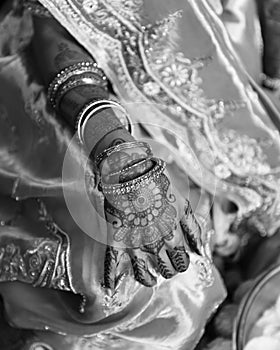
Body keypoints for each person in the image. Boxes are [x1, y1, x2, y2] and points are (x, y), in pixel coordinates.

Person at [0, 0, 279, 349]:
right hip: (64, 70)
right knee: (153, 281)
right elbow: (54, 14)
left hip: (229, 98)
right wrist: (114, 146)